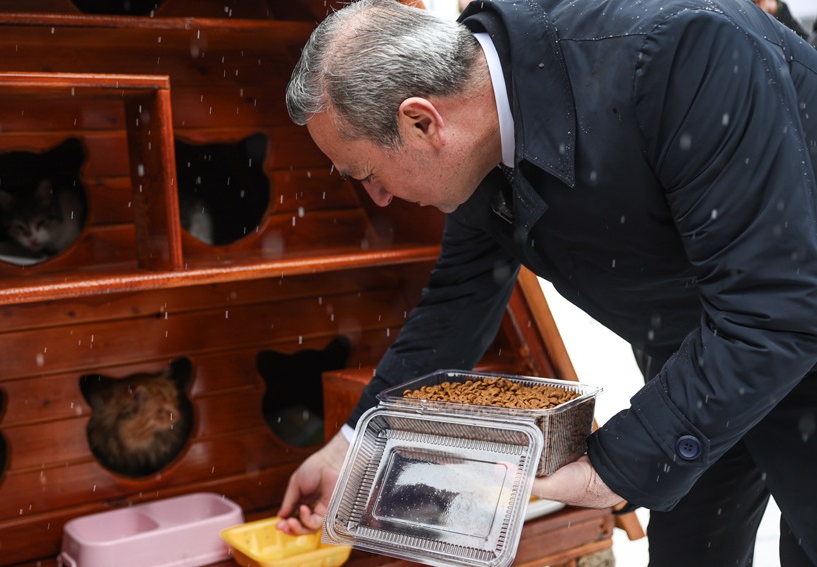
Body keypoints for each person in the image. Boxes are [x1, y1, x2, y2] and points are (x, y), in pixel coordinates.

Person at [276, 0, 817, 565]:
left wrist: (617, 466)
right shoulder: (476, 132)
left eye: (366, 175)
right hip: (697, 361)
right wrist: (357, 446)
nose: (379, 198)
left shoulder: (679, 54)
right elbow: (458, 303)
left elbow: (774, 305)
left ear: (421, 121)